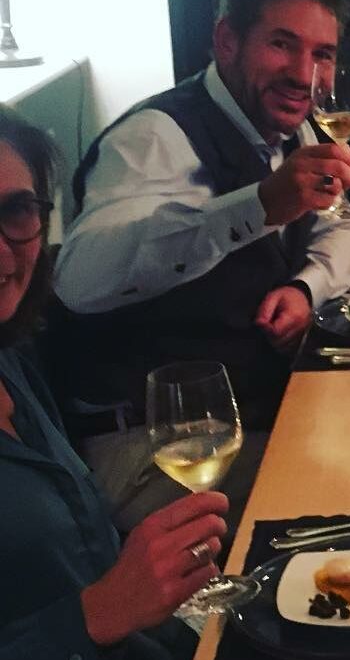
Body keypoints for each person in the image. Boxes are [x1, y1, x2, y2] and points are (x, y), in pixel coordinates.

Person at [47, 0, 350, 530]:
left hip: (251, 413)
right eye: (282, 44)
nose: (304, 74)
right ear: (227, 41)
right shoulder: (154, 138)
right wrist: (259, 206)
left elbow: (342, 225)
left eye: (323, 54)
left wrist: (305, 287)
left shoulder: (293, 128)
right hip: (148, 448)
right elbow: (79, 281)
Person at [0, 104, 226, 660]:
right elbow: (102, 608)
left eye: (16, 210)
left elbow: (92, 556)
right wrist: (100, 612)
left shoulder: (13, 360)